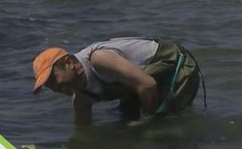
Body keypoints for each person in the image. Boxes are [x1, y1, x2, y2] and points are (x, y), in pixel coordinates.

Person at [32, 37, 204, 124]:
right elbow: (82, 132)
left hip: (175, 67)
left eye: (53, 79)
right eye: (48, 86)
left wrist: (147, 122)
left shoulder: (99, 59)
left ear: (69, 63)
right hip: (142, 81)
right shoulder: (81, 98)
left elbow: (148, 85)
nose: (54, 88)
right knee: (123, 123)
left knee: (156, 130)